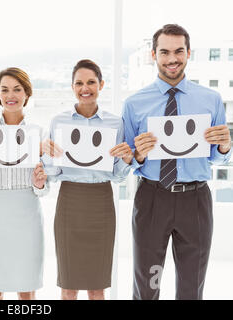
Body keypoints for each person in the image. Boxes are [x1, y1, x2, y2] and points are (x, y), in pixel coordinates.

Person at [122, 24, 232, 300]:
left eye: (179, 51)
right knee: (147, 283)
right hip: (152, 196)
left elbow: (218, 156)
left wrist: (225, 145)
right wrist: (138, 154)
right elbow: (126, 162)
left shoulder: (211, 99)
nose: (172, 58)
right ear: (153, 55)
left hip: (195, 199)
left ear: (188, 53)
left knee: (191, 286)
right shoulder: (134, 104)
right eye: (165, 52)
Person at [42, 59, 132, 300]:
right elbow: (52, 173)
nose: (85, 88)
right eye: (79, 83)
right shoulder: (59, 121)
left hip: (101, 202)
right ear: (72, 87)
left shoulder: (115, 123)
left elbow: (118, 175)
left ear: (101, 84)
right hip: (69, 201)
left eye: (91, 82)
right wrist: (46, 156)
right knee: (68, 286)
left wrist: (126, 158)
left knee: (97, 286)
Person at [0, 67, 48, 300]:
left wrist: (39, 182)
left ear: (27, 93)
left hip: (27, 213)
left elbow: (44, 188)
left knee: (27, 288)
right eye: (4, 90)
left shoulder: (39, 132)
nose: (10, 95)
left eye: (17, 89)